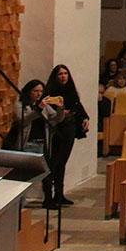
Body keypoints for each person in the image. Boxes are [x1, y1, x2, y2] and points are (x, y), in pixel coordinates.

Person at [42, 64, 90, 207]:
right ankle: (48, 197)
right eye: (60, 74)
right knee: (53, 162)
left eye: (65, 74)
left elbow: (77, 106)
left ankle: (59, 194)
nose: (63, 76)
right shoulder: (50, 91)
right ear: (55, 77)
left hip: (69, 128)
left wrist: (85, 118)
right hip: (56, 129)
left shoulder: (71, 91)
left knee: (62, 162)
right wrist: (62, 111)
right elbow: (50, 111)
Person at [6, 79, 56, 158]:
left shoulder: (43, 105)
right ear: (29, 91)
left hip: (41, 143)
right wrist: (39, 108)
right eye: (35, 91)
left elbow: (55, 118)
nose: (39, 94)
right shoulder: (20, 105)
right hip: (27, 143)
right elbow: (23, 121)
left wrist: (61, 109)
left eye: (41, 91)